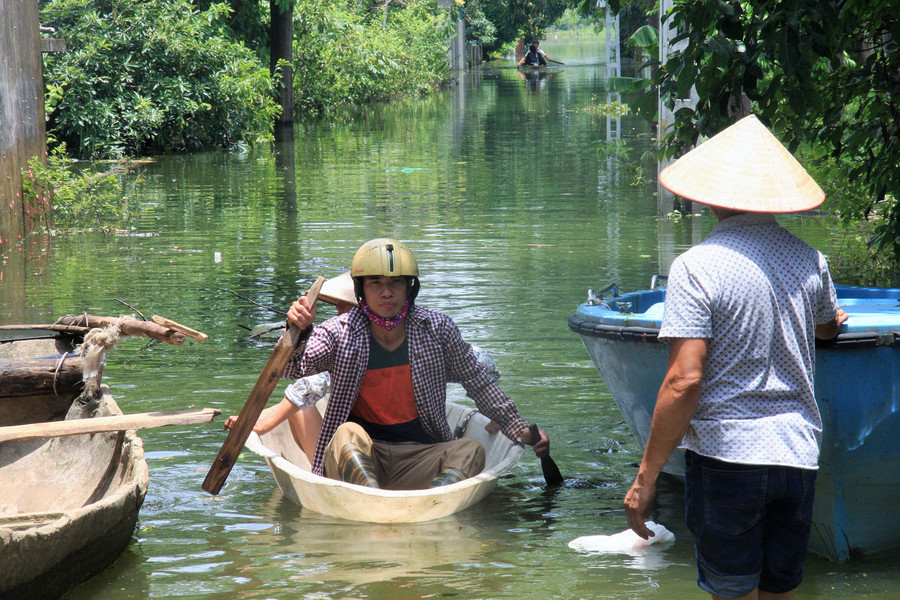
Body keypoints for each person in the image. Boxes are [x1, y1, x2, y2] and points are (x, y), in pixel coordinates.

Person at [623, 115, 848, 600]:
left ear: (710, 193)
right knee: (778, 593)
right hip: (796, 455)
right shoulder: (811, 260)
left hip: (729, 457)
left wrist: (646, 479)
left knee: (732, 592)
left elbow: (684, 381)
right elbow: (828, 326)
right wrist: (829, 322)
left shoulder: (696, 267)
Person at [284, 237, 550, 489]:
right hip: (361, 453)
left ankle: (432, 500)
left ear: (410, 287)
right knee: (347, 434)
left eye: (396, 283)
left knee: (471, 450)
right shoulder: (338, 331)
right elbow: (293, 368)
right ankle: (372, 498)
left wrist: (520, 430)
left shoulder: (437, 330)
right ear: (361, 289)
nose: (386, 292)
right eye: (375, 283)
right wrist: (298, 330)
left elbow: (479, 383)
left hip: (419, 455)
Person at [224, 272, 357, 463]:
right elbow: (301, 374)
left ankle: (328, 477)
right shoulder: (340, 334)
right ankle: (326, 471)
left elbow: (314, 382)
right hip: (352, 444)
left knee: (299, 409)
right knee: (301, 410)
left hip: (367, 445)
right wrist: (298, 330)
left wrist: (265, 423)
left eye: (343, 307)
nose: (338, 311)